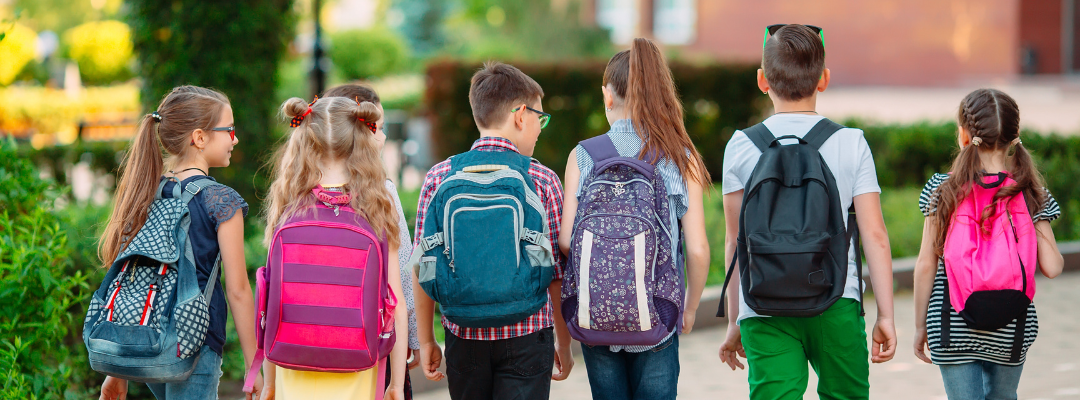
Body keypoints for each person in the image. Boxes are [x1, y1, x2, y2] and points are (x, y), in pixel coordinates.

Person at [717, 24, 897, 400]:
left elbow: (735, 241)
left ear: (762, 80)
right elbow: (876, 237)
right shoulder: (851, 143)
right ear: (824, 79)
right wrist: (886, 316)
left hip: (763, 304)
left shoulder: (740, 146)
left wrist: (736, 319)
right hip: (836, 300)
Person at [557, 37, 711, 400]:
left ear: (607, 96)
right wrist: (688, 309)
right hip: (657, 315)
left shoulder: (583, 156)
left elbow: (566, 241)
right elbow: (699, 249)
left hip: (597, 317)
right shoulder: (680, 156)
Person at [413, 61, 573, 400]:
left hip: (463, 334)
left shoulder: (438, 177)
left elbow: (424, 262)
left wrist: (427, 340)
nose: (540, 127)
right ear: (519, 115)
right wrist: (564, 342)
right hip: (528, 334)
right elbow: (557, 272)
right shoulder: (542, 180)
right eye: (539, 117)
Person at [97, 86, 262, 400]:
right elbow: (239, 290)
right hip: (194, 347)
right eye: (229, 130)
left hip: (149, 342)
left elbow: (133, 281)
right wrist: (255, 370)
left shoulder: (147, 191)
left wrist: (116, 372)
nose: (235, 139)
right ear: (200, 138)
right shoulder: (221, 201)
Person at [912, 88, 1064, 400]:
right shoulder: (1031, 192)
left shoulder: (943, 189)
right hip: (1011, 328)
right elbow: (1052, 267)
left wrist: (919, 326)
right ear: (1015, 136)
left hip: (951, 324)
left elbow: (926, 263)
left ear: (963, 135)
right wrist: (1032, 209)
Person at [258, 96, 409, 400]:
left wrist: (269, 381)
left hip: (292, 359)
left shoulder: (288, 204)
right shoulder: (377, 206)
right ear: (362, 140)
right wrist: (396, 382)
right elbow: (397, 303)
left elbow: (271, 296)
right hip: (356, 362)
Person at [322, 83, 421, 399]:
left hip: (312, 345)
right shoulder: (380, 192)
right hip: (372, 344)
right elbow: (401, 279)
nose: (384, 136)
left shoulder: (295, 192)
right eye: (377, 127)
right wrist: (414, 340)